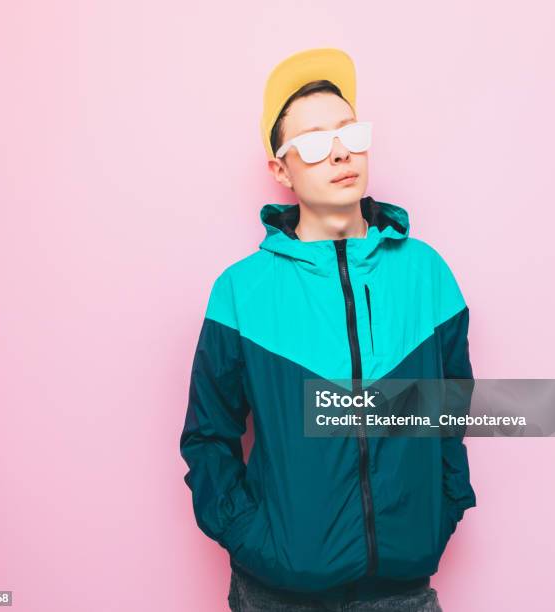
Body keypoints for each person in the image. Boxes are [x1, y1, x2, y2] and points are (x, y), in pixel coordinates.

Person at [179, 47, 476, 611]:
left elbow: (451, 408)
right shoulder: (241, 291)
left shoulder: (428, 274)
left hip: (401, 592)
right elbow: (208, 434)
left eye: (350, 133)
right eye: (313, 142)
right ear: (281, 170)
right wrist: (252, 538)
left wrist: (445, 504)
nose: (340, 152)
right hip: (276, 592)